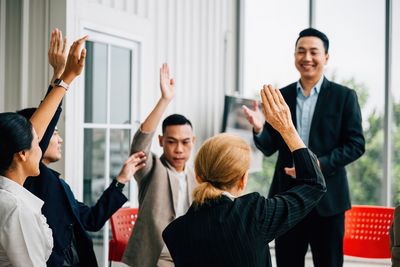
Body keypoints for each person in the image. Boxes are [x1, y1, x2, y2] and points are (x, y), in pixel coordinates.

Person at [19, 29, 146, 267]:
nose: (60, 140)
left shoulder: (55, 183)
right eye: (55, 132)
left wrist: (121, 179)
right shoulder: (27, 182)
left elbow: (91, 220)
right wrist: (61, 76)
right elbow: (39, 131)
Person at [162, 85, 326, 267]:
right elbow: (315, 185)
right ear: (243, 180)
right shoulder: (255, 214)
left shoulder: (174, 233)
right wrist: (287, 129)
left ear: (199, 176)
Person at [242, 28, 365, 267]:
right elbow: (269, 147)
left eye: (313, 52)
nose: (306, 57)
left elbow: (356, 144)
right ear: (294, 56)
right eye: (301, 51)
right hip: (287, 199)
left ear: (326, 57)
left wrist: (316, 165)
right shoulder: (282, 96)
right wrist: (259, 128)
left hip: (329, 201)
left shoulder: (344, 96)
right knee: (287, 261)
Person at [0, 29, 87, 267]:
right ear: (22, 153)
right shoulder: (14, 207)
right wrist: (65, 78)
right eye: (36, 144)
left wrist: (62, 77)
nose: (42, 145)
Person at [122, 64, 196, 267]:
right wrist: (164, 100)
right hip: (154, 256)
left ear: (193, 141)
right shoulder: (152, 168)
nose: (179, 149)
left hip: (187, 255)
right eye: (172, 142)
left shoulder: (197, 176)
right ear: (161, 141)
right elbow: (139, 145)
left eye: (185, 142)